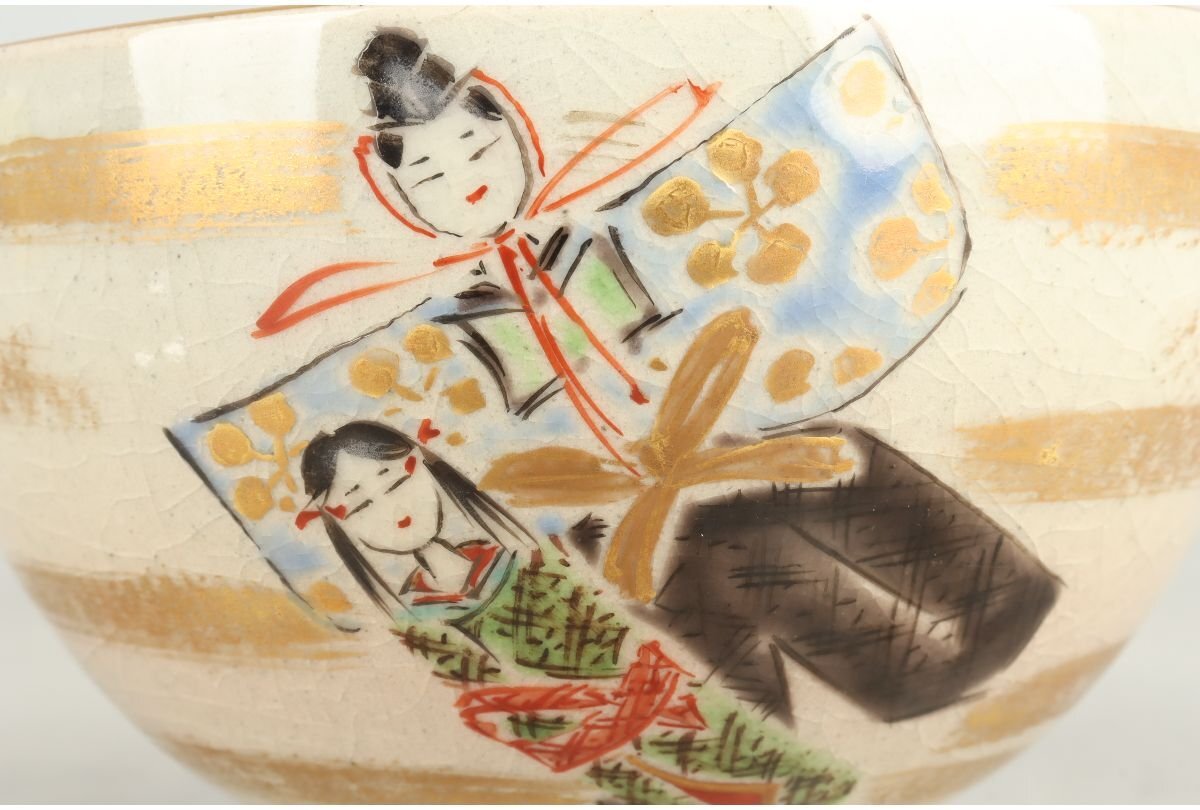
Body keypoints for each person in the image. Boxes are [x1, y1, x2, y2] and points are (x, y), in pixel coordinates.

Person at [295, 420, 855, 804]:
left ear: (423, 466)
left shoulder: (523, 558)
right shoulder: (423, 624)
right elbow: (500, 710)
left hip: (674, 696)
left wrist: (646, 679)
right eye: (359, 504)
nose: (390, 507)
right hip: (603, 750)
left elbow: (614, 627)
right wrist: (611, 716)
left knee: (792, 774)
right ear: (337, 521)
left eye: (396, 481)